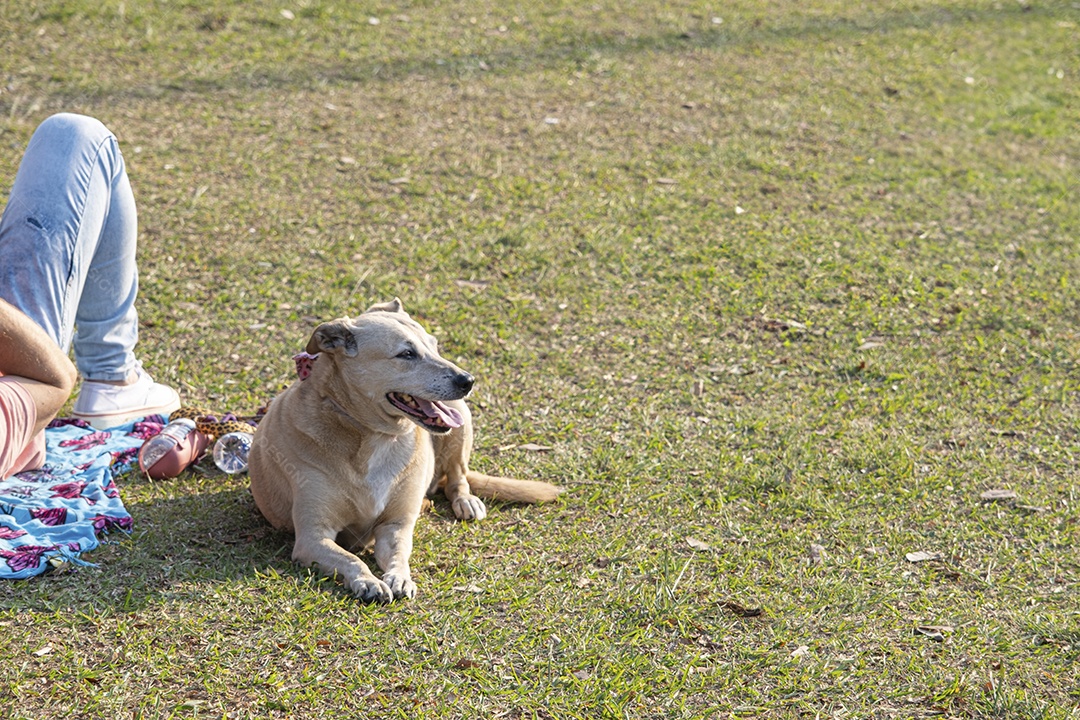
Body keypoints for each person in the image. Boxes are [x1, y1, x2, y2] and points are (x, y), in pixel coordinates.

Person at [0, 113, 180, 477]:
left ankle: (112, 370)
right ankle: (112, 373)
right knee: (75, 137)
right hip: (24, 370)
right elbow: (54, 381)